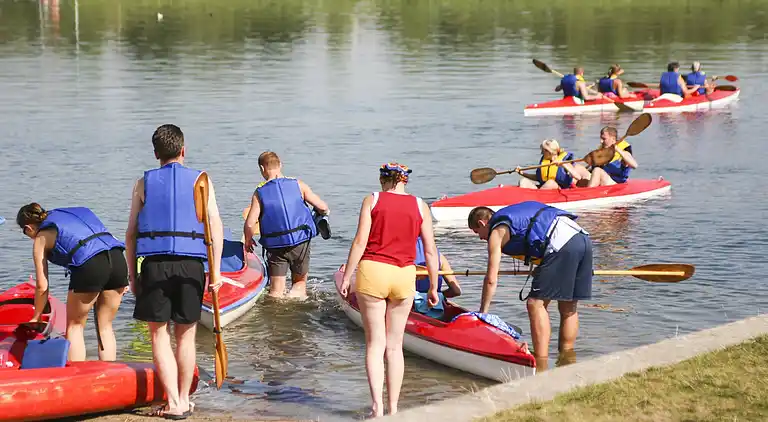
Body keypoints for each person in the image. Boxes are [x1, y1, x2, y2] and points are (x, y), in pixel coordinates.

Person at [125, 124, 223, 419]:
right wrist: (215, 271)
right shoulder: (201, 182)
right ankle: (184, 398)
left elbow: (131, 233)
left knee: (158, 336)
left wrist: (132, 274)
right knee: (186, 336)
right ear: (184, 150)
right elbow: (215, 229)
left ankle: (173, 402)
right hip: (192, 265)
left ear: (155, 153)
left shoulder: (142, 184)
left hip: (154, 265)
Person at [339, 163, 440, 417]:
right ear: (405, 181)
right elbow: (429, 250)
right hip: (404, 275)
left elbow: (361, 241)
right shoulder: (420, 206)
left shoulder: (372, 200)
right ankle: (395, 409)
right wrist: (435, 286)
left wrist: (348, 276)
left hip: (373, 271)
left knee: (375, 345)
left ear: (383, 180)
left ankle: (377, 408)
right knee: (395, 347)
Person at [467, 201, 592, 371]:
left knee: (535, 304)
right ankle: (567, 360)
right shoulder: (515, 218)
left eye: (477, 232)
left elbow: (491, 278)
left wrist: (484, 312)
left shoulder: (497, 231)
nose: (480, 237)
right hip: (582, 238)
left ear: (482, 223)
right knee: (568, 305)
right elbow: (539, 235)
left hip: (560, 244)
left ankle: (540, 364)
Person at [16, 204, 127, 362]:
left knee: (75, 327)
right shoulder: (67, 217)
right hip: (118, 260)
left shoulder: (41, 237)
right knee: (105, 326)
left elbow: (42, 285)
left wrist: (37, 316)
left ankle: (78, 378)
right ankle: (110, 375)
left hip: (90, 265)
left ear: (28, 228)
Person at [243, 151, 330, 299]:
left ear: (262, 169)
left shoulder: (259, 193)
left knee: (276, 291)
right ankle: (296, 299)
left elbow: (250, 223)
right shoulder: (298, 185)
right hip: (300, 242)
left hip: (275, 245)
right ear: (280, 165)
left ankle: (277, 308)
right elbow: (322, 207)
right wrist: (324, 212)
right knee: (299, 283)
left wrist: (248, 240)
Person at [516, 139, 591, 190]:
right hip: (544, 189)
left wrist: (563, 164)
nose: (541, 153)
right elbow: (539, 178)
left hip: (558, 190)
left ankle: (536, 199)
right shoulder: (545, 161)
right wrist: (523, 173)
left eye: (543, 151)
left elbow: (578, 177)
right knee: (523, 181)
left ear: (550, 152)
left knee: (550, 182)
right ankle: (523, 200)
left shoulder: (564, 162)